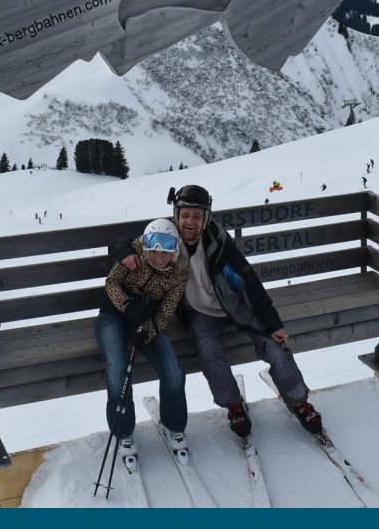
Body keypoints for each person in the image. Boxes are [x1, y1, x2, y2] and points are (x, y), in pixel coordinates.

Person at [116, 185, 323, 438]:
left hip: (236, 305)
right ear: (176, 215)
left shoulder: (219, 242)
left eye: (197, 216)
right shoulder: (166, 238)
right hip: (199, 312)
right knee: (208, 350)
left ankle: (299, 401)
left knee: (274, 345)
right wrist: (126, 251)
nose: (190, 221)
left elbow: (249, 281)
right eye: (185, 215)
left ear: (206, 218)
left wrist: (273, 322)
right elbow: (125, 243)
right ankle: (233, 405)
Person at [100, 218, 189, 462]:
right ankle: (123, 430)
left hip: (146, 322)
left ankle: (174, 424)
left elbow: (166, 312)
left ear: (175, 249)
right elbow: (112, 282)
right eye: (154, 251)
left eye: (166, 251)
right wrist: (127, 305)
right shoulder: (135, 252)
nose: (160, 257)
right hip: (114, 316)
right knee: (118, 370)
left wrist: (148, 332)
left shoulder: (178, 274)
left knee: (173, 371)